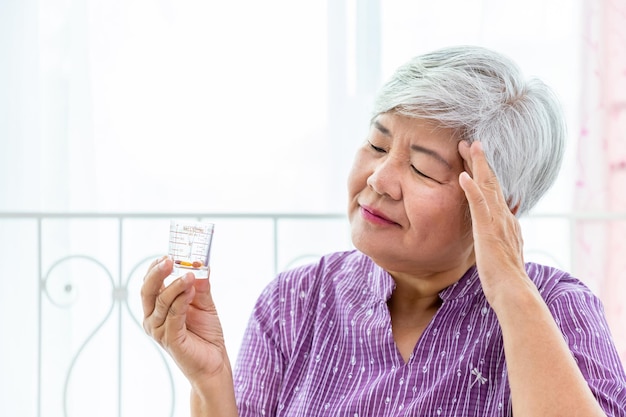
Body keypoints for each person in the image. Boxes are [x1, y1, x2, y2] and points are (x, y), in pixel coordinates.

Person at [141, 45, 626, 416]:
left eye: (421, 169)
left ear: (500, 205)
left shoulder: (557, 309)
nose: (379, 179)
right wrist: (209, 383)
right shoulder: (296, 302)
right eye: (377, 144)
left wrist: (512, 293)